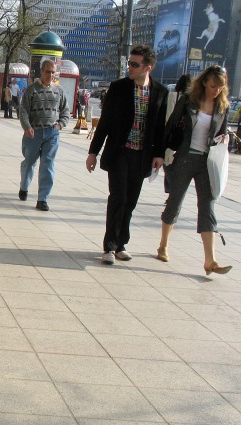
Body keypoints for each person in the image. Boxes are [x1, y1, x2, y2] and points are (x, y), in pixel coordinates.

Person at [86, 45, 168, 265]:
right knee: (118, 198)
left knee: (130, 201)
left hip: (142, 155)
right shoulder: (119, 88)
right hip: (120, 152)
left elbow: (160, 127)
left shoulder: (160, 92)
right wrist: (93, 152)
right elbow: (105, 123)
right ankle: (109, 247)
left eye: (134, 64)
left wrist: (159, 154)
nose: (129, 67)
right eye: (129, 63)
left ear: (147, 68)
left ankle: (122, 243)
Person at [157, 65, 231, 275]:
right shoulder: (189, 100)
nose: (216, 90)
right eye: (213, 85)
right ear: (205, 81)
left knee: (207, 207)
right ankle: (163, 244)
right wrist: (161, 154)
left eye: (220, 87)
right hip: (184, 158)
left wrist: (223, 138)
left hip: (207, 163)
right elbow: (170, 126)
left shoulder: (222, 107)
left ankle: (210, 260)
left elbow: (222, 133)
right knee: (175, 202)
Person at [18, 59, 69, 211]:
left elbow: (65, 111)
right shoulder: (32, 89)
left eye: (53, 72)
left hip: (52, 133)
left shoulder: (58, 91)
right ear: (41, 71)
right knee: (29, 162)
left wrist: (60, 125)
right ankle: (24, 186)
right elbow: (23, 110)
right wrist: (26, 127)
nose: (50, 75)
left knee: (48, 164)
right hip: (33, 133)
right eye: (48, 71)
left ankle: (42, 199)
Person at [163, 74, 192, 194]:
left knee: (168, 163)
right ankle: (172, 191)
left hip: (171, 135)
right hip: (183, 138)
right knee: (172, 164)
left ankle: (171, 191)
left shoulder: (173, 96)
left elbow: (168, 116)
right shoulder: (190, 100)